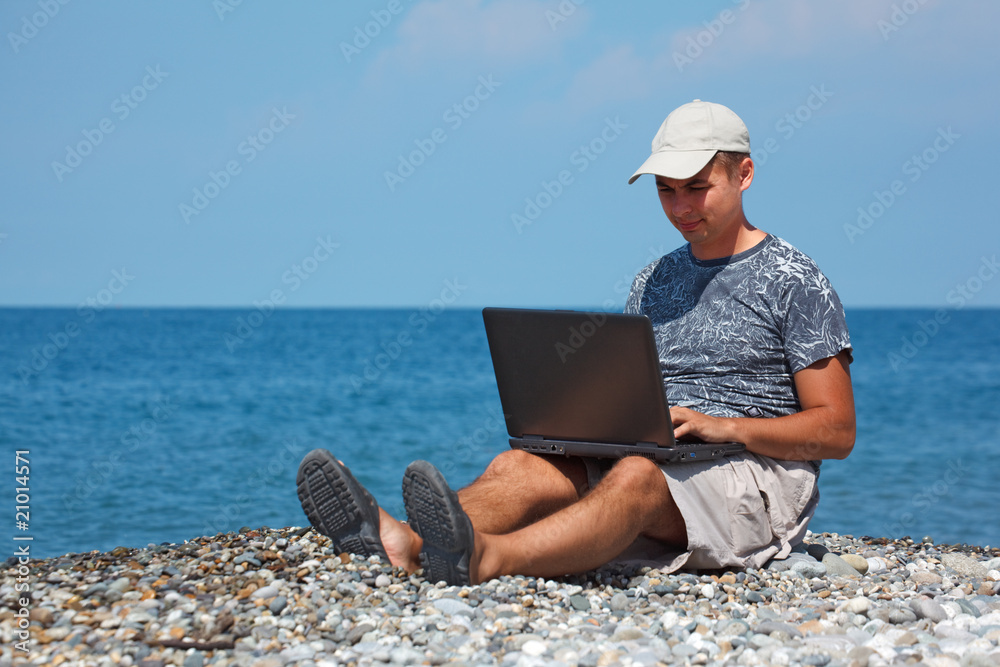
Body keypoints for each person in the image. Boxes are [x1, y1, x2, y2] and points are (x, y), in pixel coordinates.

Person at [296, 99, 855, 585]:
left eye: (696, 188)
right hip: (662, 455)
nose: (681, 207)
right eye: (666, 191)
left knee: (636, 475)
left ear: (744, 174)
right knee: (519, 466)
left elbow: (836, 430)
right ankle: (407, 543)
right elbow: (630, 388)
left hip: (753, 476)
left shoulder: (793, 280)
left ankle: (488, 558)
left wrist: (726, 427)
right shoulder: (654, 279)